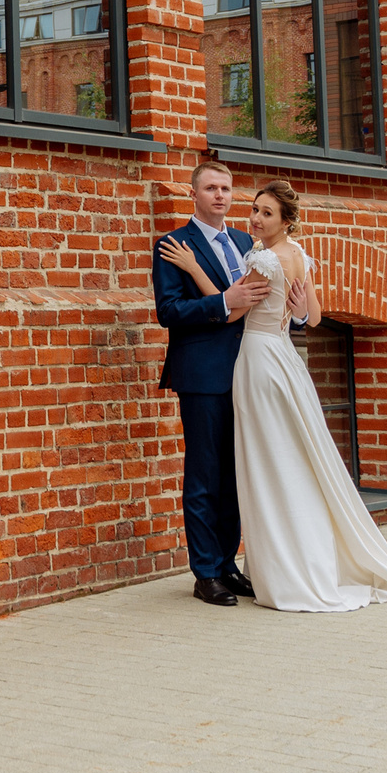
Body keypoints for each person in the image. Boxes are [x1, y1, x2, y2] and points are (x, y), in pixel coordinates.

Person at [157, 181, 387, 613]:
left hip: (259, 362)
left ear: (285, 220)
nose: (253, 217)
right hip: (271, 362)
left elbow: (233, 310)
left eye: (264, 212)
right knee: (256, 463)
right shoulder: (295, 253)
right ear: (195, 194)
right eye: (254, 210)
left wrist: (195, 270)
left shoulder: (261, 253)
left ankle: (253, 565)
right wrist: (293, 307)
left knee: (266, 462)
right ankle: (215, 570)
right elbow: (312, 315)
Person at [151, 159, 271, 606]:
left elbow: (259, 305)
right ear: (194, 194)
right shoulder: (171, 244)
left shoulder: (246, 242)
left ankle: (226, 564)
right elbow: (169, 311)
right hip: (201, 375)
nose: (220, 195)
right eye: (211, 188)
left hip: (247, 372)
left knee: (236, 473)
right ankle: (205, 573)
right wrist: (224, 301)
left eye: (226, 188)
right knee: (204, 474)